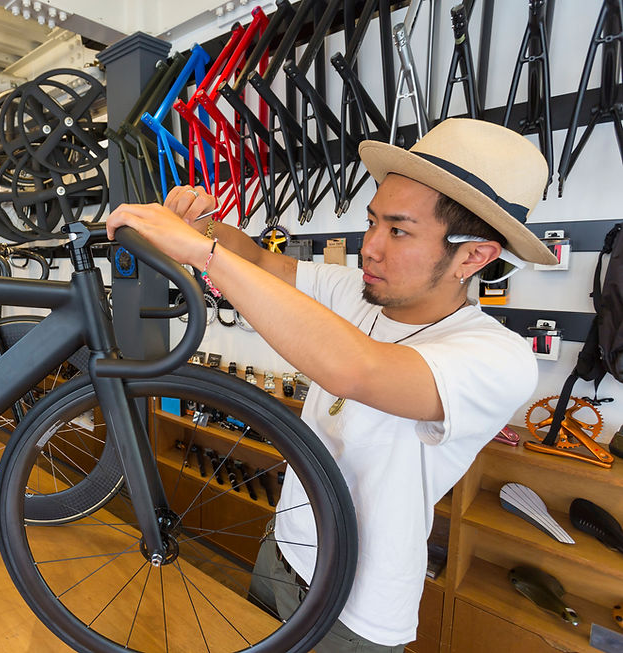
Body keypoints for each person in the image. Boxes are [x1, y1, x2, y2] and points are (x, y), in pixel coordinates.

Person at [105, 118, 559, 652]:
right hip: (284, 550)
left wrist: (201, 254)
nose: (370, 247)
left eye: (398, 231)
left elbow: (358, 370)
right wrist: (204, 227)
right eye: (372, 223)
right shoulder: (357, 291)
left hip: (360, 602)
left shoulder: (498, 358)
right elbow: (257, 260)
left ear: (474, 256)